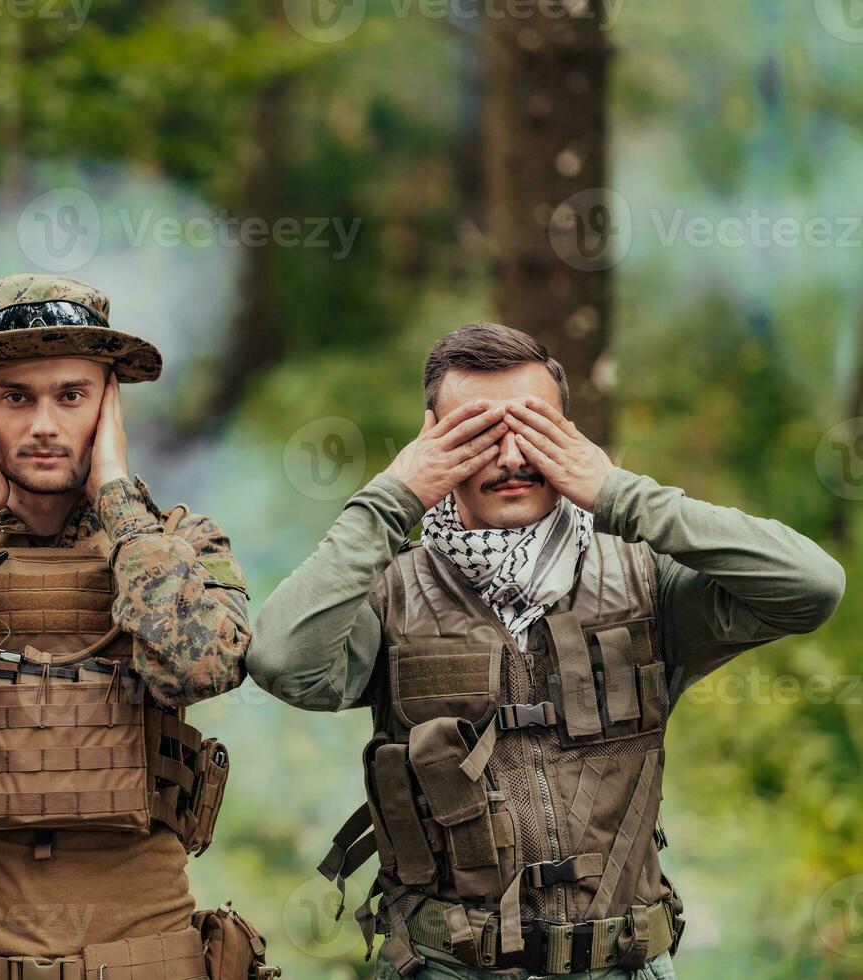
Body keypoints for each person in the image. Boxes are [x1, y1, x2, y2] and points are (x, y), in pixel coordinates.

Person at [247, 322, 846, 979]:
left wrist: (621, 494)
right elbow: (282, 660)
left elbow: (811, 587)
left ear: (570, 436)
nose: (510, 458)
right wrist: (391, 499)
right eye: (477, 434)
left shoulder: (646, 581)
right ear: (431, 445)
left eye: (533, 431)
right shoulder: (390, 594)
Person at [0, 274, 276, 980]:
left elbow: (203, 666)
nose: (42, 425)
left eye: (72, 395)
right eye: (15, 397)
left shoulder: (176, 544)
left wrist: (119, 498)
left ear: (110, 404)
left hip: (144, 960)